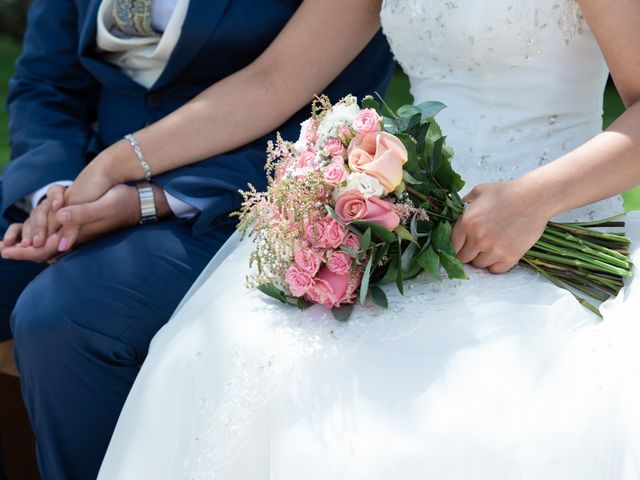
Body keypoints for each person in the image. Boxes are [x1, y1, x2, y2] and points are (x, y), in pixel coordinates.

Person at [10, 0, 640, 478]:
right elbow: (273, 81)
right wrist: (117, 163)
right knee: (247, 355)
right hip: (403, 214)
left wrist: (537, 198)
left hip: (546, 218)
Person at [0, 0, 393, 478]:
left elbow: (316, 108)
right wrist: (55, 190)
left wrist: (150, 198)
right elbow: (47, 78)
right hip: (84, 176)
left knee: (63, 321)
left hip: (237, 196)